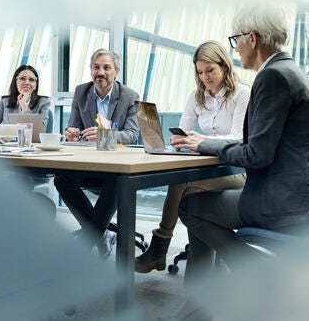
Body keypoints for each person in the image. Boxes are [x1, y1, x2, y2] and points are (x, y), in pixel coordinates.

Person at [167, 2, 309, 321]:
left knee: (190, 207)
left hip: (288, 201)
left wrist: (206, 144)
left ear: (252, 37)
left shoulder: (272, 77)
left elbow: (256, 155)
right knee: (199, 204)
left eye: (236, 40)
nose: (235, 49)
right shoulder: (290, 70)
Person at [134, 41, 250, 273]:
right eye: (200, 72)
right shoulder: (197, 97)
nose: (205, 77)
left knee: (183, 182)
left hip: (238, 172)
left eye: (210, 70)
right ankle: (201, 272)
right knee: (190, 190)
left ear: (224, 66)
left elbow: (240, 138)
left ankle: (160, 247)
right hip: (209, 171)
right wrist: (180, 139)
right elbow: (183, 128)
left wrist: (203, 141)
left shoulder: (242, 93)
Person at [54, 49, 140, 257]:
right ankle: (102, 234)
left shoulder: (129, 96)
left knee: (118, 181)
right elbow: (72, 127)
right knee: (61, 179)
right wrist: (71, 134)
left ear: (116, 72)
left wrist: (105, 136)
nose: (100, 72)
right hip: (88, 164)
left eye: (106, 67)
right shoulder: (81, 92)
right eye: (96, 67)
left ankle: (88, 241)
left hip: (115, 167)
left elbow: (132, 135)